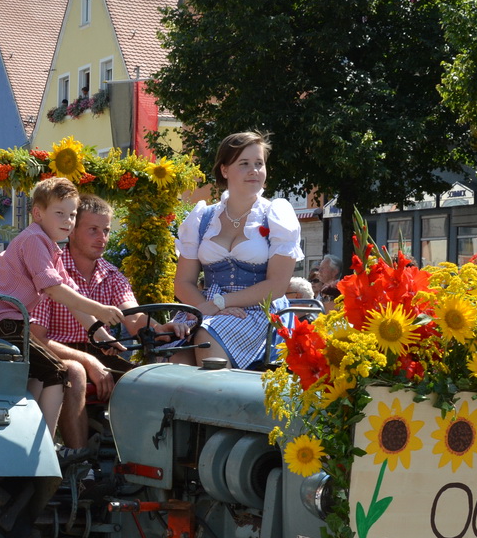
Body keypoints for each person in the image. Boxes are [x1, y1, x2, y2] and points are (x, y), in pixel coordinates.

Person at [0, 177, 125, 441]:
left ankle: (32, 437)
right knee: (57, 371)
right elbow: (53, 290)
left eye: (71, 215)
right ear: (37, 213)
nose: (67, 221)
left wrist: (101, 335)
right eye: (60, 213)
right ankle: (43, 447)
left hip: (7, 322)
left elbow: (71, 296)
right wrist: (102, 310)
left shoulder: (51, 248)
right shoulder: (34, 240)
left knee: (46, 370)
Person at [173, 131, 302, 368]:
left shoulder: (276, 215)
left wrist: (220, 304)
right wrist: (208, 308)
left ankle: (222, 404)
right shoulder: (203, 218)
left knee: (205, 339)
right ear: (224, 170)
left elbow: (277, 286)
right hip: (207, 306)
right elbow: (183, 282)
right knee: (176, 357)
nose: (254, 170)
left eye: (259, 164)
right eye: (244, 164)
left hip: (258, 312)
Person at [28, 196, 145, 450]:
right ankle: (78, 467)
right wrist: (89, 361)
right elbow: (36, 338)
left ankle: (133, 462)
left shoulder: (112, 275)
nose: (102, 238)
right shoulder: (50, 272)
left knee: (144, 383)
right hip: (52, 354)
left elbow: (135, 318)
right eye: (93, 230)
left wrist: (164, 328)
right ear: (71, 231)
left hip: (97, 350)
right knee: (76, 372)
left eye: (106, 231)